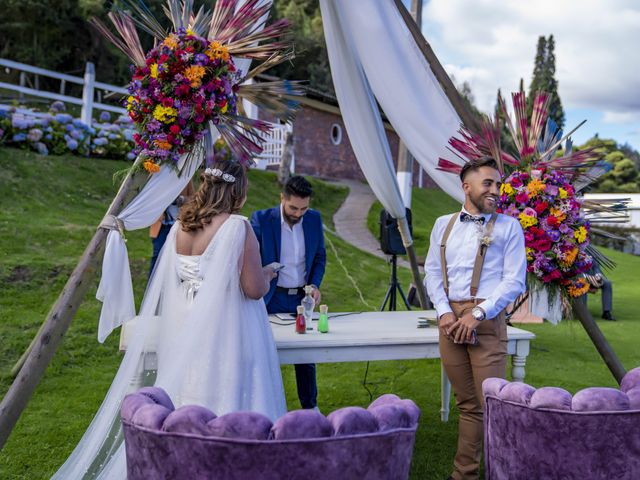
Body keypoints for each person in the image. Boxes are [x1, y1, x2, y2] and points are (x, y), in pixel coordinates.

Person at [53, 160, 286, 478]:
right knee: (229, 396)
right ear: (238, 192)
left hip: (188, 331)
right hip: (227, 333)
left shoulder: (180, 228)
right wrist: (269, 273)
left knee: (191, 395)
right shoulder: (237, 226)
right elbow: (253, 288)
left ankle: (188, 463)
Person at [424, 157, 526, 480]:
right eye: (488, 184)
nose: (496, 190)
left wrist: (479, 314)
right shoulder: (443, 224)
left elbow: (515, 280)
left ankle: (502, 470)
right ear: (466, 186)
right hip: (449, 322)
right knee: (467, 404)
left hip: (487, 320)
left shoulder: (510, 227)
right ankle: (464, 474)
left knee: (493, 405)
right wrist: (442, 311)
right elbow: (431, 271)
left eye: (498, 184)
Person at [251, 176, 326, 410]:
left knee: (306, 356)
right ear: (282, 198)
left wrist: (314, 284)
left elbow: (320, 256)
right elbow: (250, 258)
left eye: (304, 208)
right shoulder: (262, 220)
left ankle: (310, 408)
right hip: (270, 297)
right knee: (262, 352)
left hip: (301, 299)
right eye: (294, 207)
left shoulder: (313, 219)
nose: (298, 213)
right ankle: (262, 407)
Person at [148, 182, 193, 276]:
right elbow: (150, 196)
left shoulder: (186, 177)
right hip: (161, 225)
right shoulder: (159, 175)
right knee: (157, 256)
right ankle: (151, 285)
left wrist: (181, 199)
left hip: (179, 224)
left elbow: (193, 198)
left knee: (177, 257)